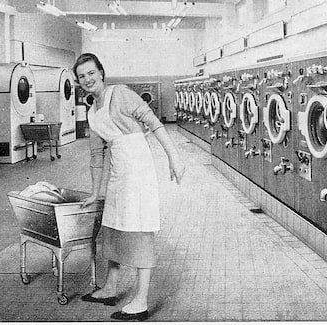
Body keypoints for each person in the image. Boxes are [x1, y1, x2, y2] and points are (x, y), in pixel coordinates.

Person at [73, 53, 186, 321]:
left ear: (101, 72)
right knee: (113, 227)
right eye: (81, 76)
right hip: (118, 172)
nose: (87, 79)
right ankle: (110, 288)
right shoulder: (91, 112)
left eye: (91, 73)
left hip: (138, 170)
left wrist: (174, 158)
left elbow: (153, 121)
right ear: (78, 82)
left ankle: (141, 301)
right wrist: (95, 193)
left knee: (138, 230)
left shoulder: (119, 94)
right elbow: (96, 157)